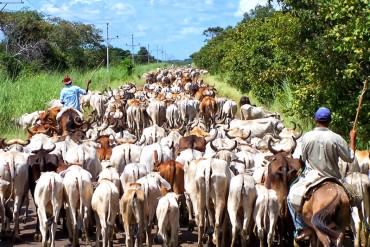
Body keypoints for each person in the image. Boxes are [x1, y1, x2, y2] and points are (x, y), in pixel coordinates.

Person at [287, 106, 356, 242]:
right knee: (354, 198)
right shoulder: (336, 138)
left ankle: (301, 228)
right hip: (334, 178)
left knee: (290, 198)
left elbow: (299, 158)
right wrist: (353, 139)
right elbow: (350, 157)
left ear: (315, 120)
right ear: (330, 120)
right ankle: (348, 228)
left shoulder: (307, 137)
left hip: (313, 176)